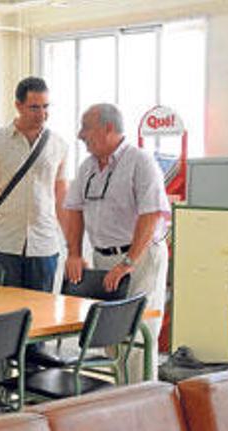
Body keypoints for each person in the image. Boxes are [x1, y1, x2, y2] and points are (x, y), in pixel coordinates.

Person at [64, 103, 171, 383]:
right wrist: (74, 253)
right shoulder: (87, 167)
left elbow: (151, 215)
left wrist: (128, 262)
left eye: (86, 128)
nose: (80, 135)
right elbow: (73, 209)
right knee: (112, 338)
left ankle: (142, 404)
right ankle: (120, 399)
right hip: (104, 258)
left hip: (140, 259)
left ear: (107, 128)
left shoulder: (140, 162)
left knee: (137, 335)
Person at [0, 76, 71, 292]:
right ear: (18, 106)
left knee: (41, 315)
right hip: (0, 244)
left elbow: (62, 197)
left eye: (46, 107)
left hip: (44, 245)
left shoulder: (58, 145)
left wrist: (74, 248)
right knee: (2, 315)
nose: (42, 114)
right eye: (34, 107)